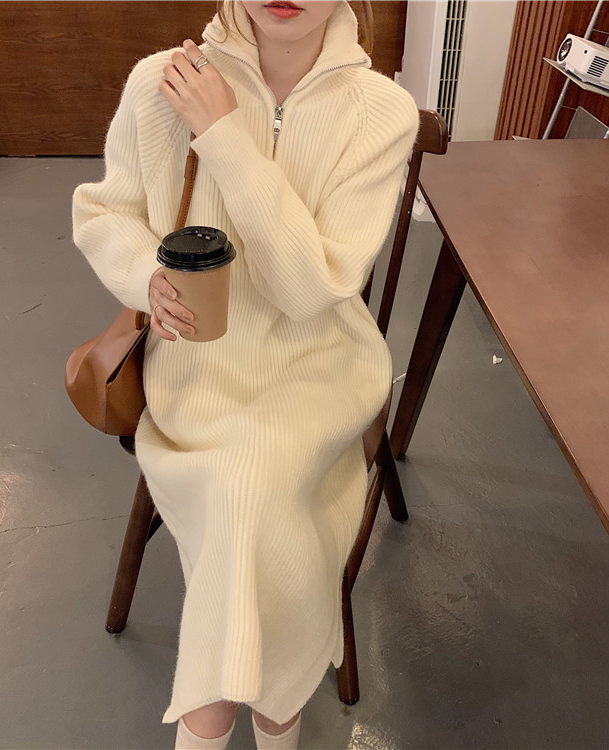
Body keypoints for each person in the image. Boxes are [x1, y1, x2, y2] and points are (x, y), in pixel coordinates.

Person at [72, 1, 419, 747]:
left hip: (321, 365)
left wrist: (225, 134)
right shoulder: (159, 83)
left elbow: (307, 291)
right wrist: (144, 274)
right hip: (198, 363)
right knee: (248, 495)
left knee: (248, 493)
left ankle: (211, 712)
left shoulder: (381, 111)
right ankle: (275, 713)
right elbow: (105, 212)